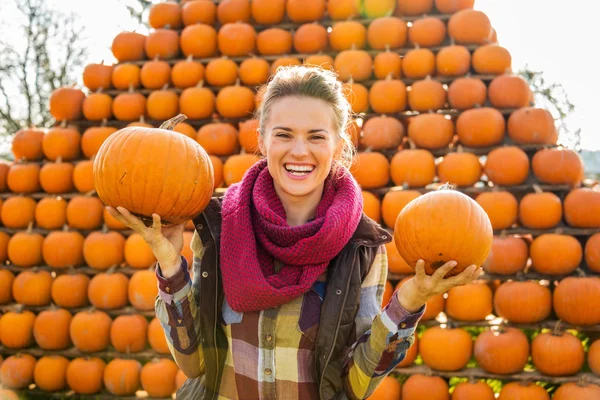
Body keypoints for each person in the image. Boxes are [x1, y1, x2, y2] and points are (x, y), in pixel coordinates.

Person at [108, 65, 482, 400]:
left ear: (338, 144)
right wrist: (169, 258)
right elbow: (194, 363)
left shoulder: (360, 246)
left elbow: (354, 385)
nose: (299, 151)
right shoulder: (220, 225)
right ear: (263, 139)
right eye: (284, 134)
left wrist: (411, 299)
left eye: (316, 137)